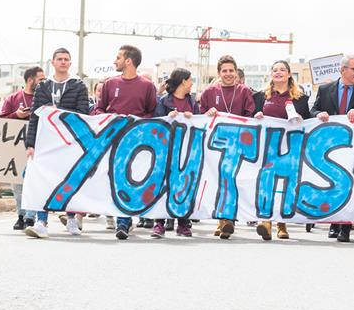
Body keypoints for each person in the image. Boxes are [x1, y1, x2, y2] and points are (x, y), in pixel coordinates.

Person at [23, 49, 91, 239]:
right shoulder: (43, 86)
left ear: (70, 63)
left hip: (70, 142)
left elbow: (83, 114)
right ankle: (41, 222)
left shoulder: (78, 86)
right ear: (52, 62)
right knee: (42, 180)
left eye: (66, 60)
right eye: (59, 59)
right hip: (45, 143)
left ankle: (71, 219)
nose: (63, 62)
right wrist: (30, 143)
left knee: (69, 180)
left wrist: (57, 112)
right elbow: (34, 117)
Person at [93, 45, 159, 240]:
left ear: (129, 61)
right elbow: (98, 109)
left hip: (135, 140)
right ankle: (118, 218)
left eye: (118, 57)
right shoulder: (109, 84)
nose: (115, 61)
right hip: (111, 138)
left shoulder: (147, 86)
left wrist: (136, 122)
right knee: (111, 178)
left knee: (129, 179)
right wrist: (109, 118)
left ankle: (123, 221)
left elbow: (152, 112)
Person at [311, 54, 354, 242]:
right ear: (343, 70)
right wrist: (319, 114)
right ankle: (334, 224)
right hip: (330, 146)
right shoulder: (325, 90)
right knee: (332, 184)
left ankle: (345, 228)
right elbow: (313, 110)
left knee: (351, 186)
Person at [198, 55, 257, 239]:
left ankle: (227, 219)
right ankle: (223, 220)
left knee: (233, 181)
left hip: (239, 144)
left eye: (231, 70)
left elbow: (250, 115)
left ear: (236, 72)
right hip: (216, 144)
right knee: (218, 181)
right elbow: (200, 117)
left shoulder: (244, 91)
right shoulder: (209, 92)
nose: (228, 74)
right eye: (224, 71)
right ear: (219, 73)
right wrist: (208, 113)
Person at [252, 60, 312, 240]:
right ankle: (266, 221)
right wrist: (256, 116)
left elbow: (308, 121)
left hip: (290, 147)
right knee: (266, 182)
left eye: (282, 70)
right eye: (275, 70)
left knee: (285, 183)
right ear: (271, 74)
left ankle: (282, 223)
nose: (278, 72)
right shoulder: (260, 96)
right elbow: (249, 117)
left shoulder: (301, 98)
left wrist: (303, 118)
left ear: (288, 74)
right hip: (267, 146)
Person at [150, 68, 199, 239]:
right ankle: (159, 223)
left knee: (185, 185)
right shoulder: (164, 102)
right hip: (167, 150)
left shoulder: (192, 102)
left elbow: (200, 123)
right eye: (190, 79)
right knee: (163, 185)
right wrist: (168, 118)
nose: (192, 83)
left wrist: (192, 117)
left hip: (187, 149)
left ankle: (183, 223)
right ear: (183, 81)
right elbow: (157, 124)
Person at [0, 65, 45, 230]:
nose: (44, 82)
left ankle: (30, 217)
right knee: (17, 184)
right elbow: (0, 121)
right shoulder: (12, 99)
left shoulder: (44, 99)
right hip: (16, 146)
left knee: (34, 182)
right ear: (30, 80)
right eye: (41, 79)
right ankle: (21, 215)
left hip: (37, 146)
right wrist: (16, 116)